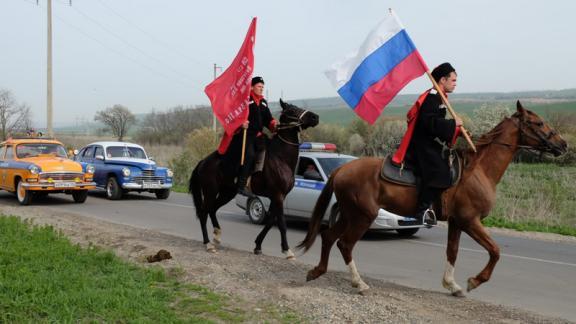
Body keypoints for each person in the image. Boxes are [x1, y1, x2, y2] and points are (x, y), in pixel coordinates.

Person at [409, 63, 462, 225]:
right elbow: (428, 123)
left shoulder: (439, 96)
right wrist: (452, 124)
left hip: (430, 141)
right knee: (440, 171)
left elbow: (437, 124)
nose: (455, 83)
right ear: (442, 80)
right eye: (452, 80)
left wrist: (454, 129)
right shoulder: (432, 97)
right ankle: (421, 211)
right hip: (422, 143)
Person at [224, 76, 277, 197]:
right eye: (259, 86)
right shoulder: (245, 100)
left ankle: (257, 179)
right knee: (250, 155)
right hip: (245, 134)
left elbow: (268, 119)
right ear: (252, 87)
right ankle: (241, 185)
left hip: (258, 136)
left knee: (270, 151)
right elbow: (234, 114)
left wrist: (274, 125)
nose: (261, 89)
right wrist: (241, 123)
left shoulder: (263, 102)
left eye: (263, 87)